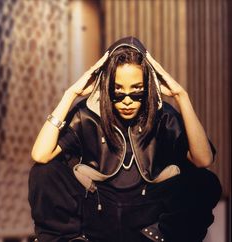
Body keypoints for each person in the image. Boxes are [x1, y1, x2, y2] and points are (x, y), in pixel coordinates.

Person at [28, 37, 221, 242]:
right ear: (106, 87)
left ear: (148, 86)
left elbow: (203, 159)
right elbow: (40, 154)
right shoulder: (86, 116)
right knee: (44, 172)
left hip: (149, 222)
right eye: (118, 91)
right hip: (99, 215)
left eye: (136, 90)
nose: (127, 100)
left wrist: (181, 96)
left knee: (204, 181)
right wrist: (70, 94)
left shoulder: (164, 117)